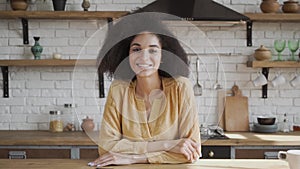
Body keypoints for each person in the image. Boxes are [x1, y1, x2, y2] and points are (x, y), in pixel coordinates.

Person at [89, 13, 201, 168]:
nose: (144, 57)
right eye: (136, 49)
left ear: (163, 55)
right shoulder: (118, 90)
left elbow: (192, 152)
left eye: (153, 50)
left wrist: (133, 158)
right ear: (126, 55)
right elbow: (106, 147)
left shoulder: (180, 87)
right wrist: (167, 145)